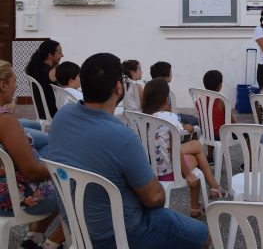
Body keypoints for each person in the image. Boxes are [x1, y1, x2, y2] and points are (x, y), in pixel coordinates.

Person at [43, 53, 210, 248]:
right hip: (122, 233)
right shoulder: (122, 137)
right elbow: (155, 198)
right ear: (118, 87)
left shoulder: (62, 117)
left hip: (77, 227)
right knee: (203, 235)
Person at [0, 60, 65, 249]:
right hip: (13, 197)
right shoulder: (5, 121)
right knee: (77, 186)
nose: (16, 86)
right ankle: (51, 244)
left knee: (58, 176)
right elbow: (32, 172)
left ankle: (34, 238)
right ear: (2, 85)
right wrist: (60, 167)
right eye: (14, 81)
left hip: (7, 188)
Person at [142, 78, 227, 218]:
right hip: (168, 171)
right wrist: (187, 174)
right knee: (196, 158)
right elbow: (172, 149)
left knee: (196, 146)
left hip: (151, 169)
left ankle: (212, 189)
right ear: (166, 99)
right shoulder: (170, 117)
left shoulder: (142, 117)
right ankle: (204, 197)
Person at [150, 61, 198, 127]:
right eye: (170, 71)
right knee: (195, 120)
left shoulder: (151, 87)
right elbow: (167, 111)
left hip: (158, 119)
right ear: (165, 74)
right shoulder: (164, 90)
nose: (171, 74)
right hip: (170, 120)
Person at [25, 39, 63, 120]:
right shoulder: (51, 72)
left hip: (42, 112)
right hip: (53, 113)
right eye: (59, 53)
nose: (62, 55)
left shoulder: (36, 68)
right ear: (50, 55)